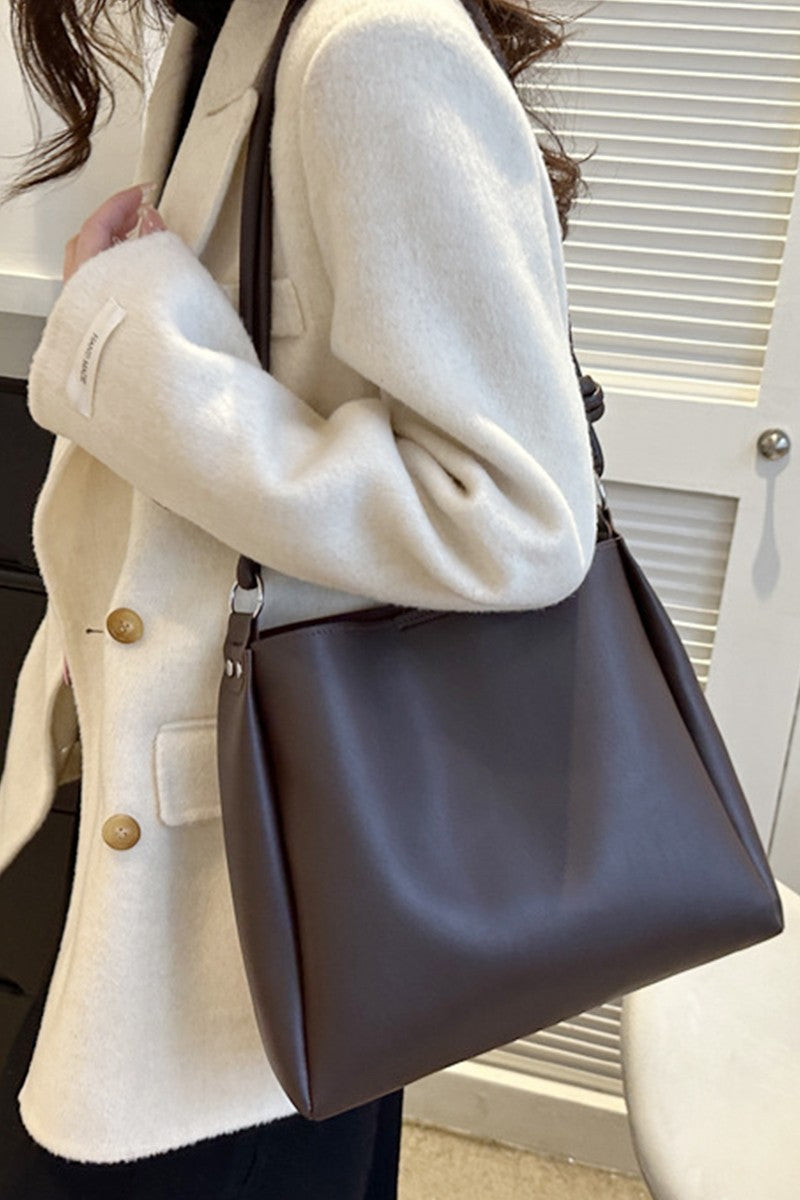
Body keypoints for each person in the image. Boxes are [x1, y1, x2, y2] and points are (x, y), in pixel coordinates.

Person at [0, 0, 598, 1194]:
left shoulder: (367, 44)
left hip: (278, 857)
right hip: (205, 807)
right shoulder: (233, 29)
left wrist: (118, 343)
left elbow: (514, 518)